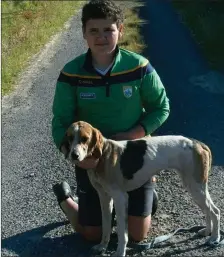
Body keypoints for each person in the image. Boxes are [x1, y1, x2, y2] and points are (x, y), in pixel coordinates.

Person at [52, 0, 170, 243]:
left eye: (109, 30)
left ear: (121, 31)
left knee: (138, 236)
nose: (101, 37)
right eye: (94, 30)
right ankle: (67, 200)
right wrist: (74, 156)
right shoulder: (71, 73)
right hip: (92, 159)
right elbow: (60, 121)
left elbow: (161, 108)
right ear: (84, 33)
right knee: (92, 235)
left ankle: (146, 194)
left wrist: (132, 135)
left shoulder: (139, 66)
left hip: (133, 156)